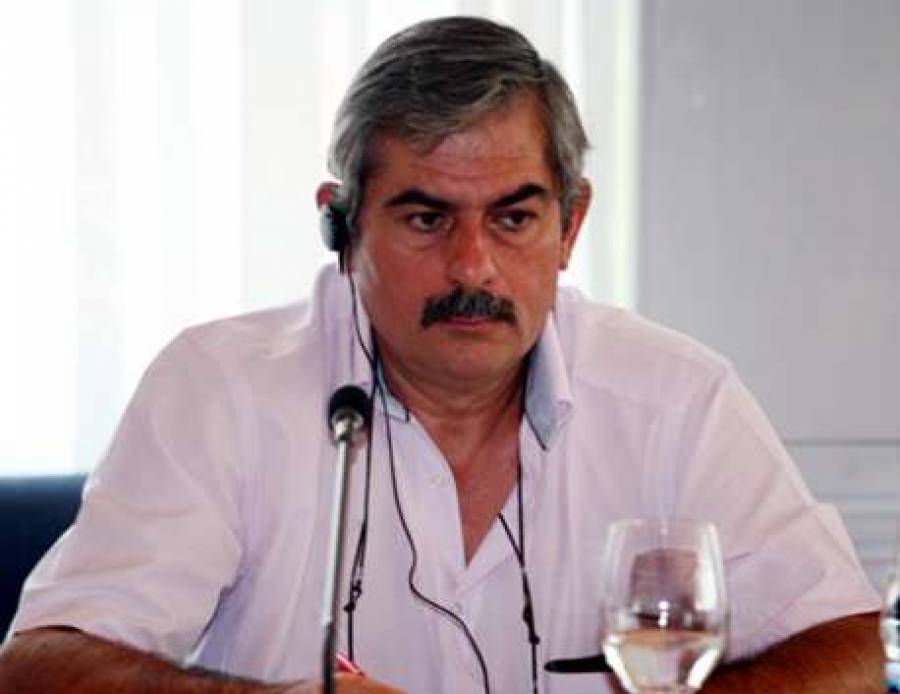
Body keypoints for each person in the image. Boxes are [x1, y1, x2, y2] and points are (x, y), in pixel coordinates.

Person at [0, 16, 884, 694]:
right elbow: (40, 665)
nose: (472, 267)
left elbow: (845, 646)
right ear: (343, 227)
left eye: (514, 218)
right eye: (426, 219)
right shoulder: (220, 390)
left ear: (570, 226)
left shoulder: (674, 397)